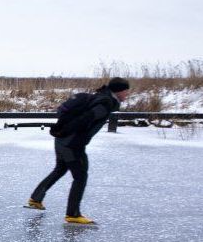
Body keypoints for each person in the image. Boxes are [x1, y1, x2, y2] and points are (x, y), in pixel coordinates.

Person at [26, 77, 130, 225]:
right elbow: (87, 118)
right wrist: (70, 134)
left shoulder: (100, 98)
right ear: (119, 90)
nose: (127, 94)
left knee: (60, 169)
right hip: (72, 144)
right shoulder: (105, 102)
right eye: (126, 91)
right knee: (80, 176)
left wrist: (63, 132)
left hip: (63, 141)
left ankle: (35, 199)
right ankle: (73, 214)